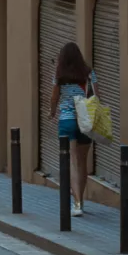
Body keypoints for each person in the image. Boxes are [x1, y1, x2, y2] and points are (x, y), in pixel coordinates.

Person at [49, 42, 96, 216]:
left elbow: (54, 97)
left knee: (73, 161)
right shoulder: (88, 73)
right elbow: (96, 96)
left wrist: (52, 112)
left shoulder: (60, 75)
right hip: (85, 121)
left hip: (67, 120)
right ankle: (80, 200)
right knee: (82, 162)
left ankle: (76, 204)